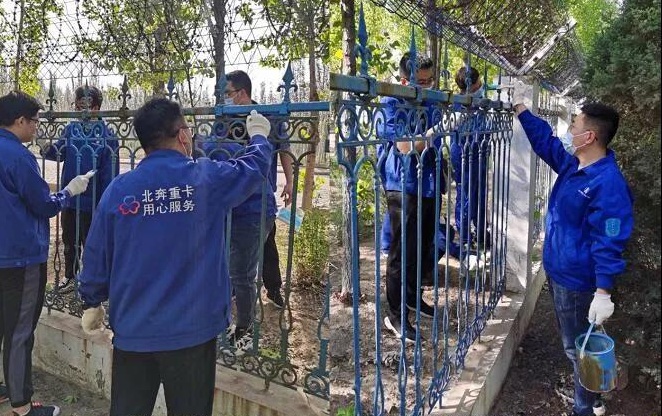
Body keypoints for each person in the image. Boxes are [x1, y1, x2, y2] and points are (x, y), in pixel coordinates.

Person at [77, 99, 273, 416]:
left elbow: (97, 251)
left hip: (134, 330)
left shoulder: (120, 189)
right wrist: (260, 136)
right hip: (192, 331)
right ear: (182, 134)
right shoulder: (204, 179)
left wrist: (92, 300)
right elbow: (251, 170)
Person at [514, 101, 633, 416]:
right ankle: (593, 395)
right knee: (579, 342)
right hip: (559, 273)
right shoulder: (573, 165)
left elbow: (609, 237)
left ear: (589, 136)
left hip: (578, 283)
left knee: (577, 348)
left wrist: (603, 291)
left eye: (574, 126)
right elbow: (546, 143)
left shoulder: (608, 184)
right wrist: (523, 112)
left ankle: (585, 407)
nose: (569, 131)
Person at [0, 91, 94, 416]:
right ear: (20, 121)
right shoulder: (17, 156)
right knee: (19, 331)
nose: (37, 127)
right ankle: (22, 407)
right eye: (35, 121)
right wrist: (69, 192)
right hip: (20, 256)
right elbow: (43, 204)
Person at [204, 70, 294, 345]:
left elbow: (285, 150)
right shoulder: (223, 119)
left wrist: (291, 182)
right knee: (230, 264)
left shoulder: (268, 117)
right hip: (228, 203)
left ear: (241, 93)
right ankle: (227, 313)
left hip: (256, 202)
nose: (224, 99)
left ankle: (245, 327)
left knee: (245, 268)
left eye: (227, 93)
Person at [377, 53, 447, 342]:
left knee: (423, 246)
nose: (427, 86)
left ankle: (413, 298)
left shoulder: (430, 102)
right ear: (405, 81)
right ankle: (395, 315)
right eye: (421, 82)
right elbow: (405, 147)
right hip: (403, 184)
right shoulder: (391, 103)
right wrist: (434, 131)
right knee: (401, 253)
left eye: (430, 80)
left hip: (429, 183)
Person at [42, 86, 119, 292]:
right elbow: (58, 153)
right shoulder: (71, 130)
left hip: (93, 202)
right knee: (69, 241)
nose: (80, 111)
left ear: (96, 108)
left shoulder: (107, 135)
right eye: (77, 106)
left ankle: (93, 284)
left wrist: (105, 204)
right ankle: (70, 277)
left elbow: (110, 175)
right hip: (70, 198)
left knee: (93, 245)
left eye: (85, 106)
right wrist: (45, 146)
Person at [451, 66, 491, 253]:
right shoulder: (459, 105)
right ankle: (465, 237)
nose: (481, 84)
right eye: (478, 83)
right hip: (464, 154)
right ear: (472, 85)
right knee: (466, 195)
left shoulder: (481, 103)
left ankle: (481, 233)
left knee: (480, 193)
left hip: (480, 152)